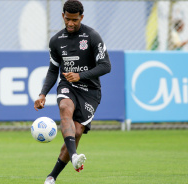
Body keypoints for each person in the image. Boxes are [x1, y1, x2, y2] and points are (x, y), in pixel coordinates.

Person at [34, 0, 111, 183]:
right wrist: (43, 94)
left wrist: (80, 75)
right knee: (64, 107)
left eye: (74, 20)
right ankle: (63, 168)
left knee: (76, 133)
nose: (70, 23)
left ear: (81, 17)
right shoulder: (55, 41)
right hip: (67, 85)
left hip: (90, 91)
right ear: (63, 16)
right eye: (67, 19)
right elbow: (53, 70)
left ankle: (53, 173)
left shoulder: (92, 36)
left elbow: (106, 66)